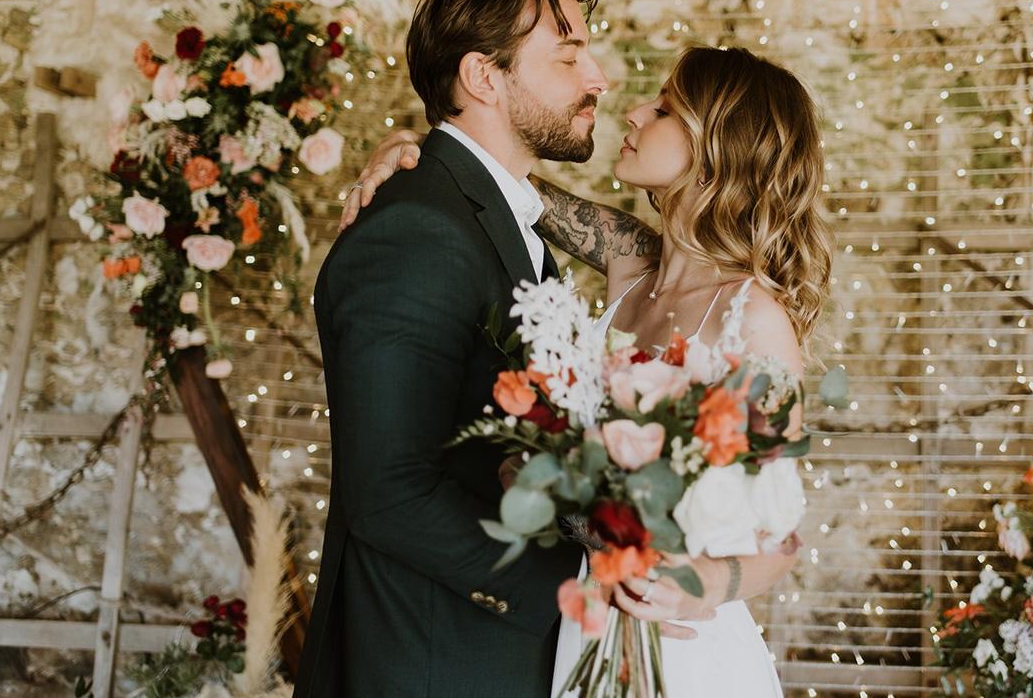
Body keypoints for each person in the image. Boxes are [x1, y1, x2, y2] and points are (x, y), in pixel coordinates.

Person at [342, 44, 835, 696]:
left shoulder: (755, 317)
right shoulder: (633, 264)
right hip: (585, 635)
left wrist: (710, 585)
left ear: (718, 145)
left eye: (663, 108)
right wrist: (415, 154)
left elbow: (782, 533)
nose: (631, 112)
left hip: (682, 649)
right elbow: (495, 180)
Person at [294, 0, 609, 697]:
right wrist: (580, 588)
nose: (597, 77)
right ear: (484, 78)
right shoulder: (417, 233)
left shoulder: (498, 219)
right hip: (437, 662)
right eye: (569, 56)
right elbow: (392, 494)